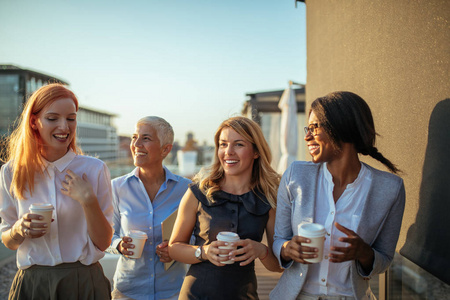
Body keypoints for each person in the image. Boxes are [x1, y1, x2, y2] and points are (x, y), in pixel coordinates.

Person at [270, 91, 406, 300]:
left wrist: (364, 253)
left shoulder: (390, 188)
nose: (307, 136)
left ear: (341, 127)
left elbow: (385, 259)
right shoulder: (295, 175)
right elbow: (279, 239)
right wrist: (288, 250)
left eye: (314, 128)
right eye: (308, 128)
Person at [0, 83, 113, 299]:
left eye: (71, 118)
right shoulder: (11, 172)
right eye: (53, 118)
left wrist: (88, 200)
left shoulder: (94, 169)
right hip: (32, 285)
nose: (64, 127)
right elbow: (8, 240)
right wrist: (18, 229)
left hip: (84, 283)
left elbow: (104, 242)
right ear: (34, 122)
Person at [169, 116, 283, 300]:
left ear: (255, 152)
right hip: (195, 295)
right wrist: (203, 252)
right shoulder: (198, 192)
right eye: (223, 144)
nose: (228, 152)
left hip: (244, 295)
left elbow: (277, 266)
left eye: (238, 144)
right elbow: (173, 248)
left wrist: (262, 251)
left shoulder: (268, 199)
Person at [108, 116, 191, 300]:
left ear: (166, 149)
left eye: (146, 138)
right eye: (134, 137)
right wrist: (119, 245)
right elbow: (107, 234)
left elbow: (198, 234)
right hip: (128, 292)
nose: (136, 144)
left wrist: (176, 251)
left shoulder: (186, 189)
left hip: (173, 292)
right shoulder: (116, 187)